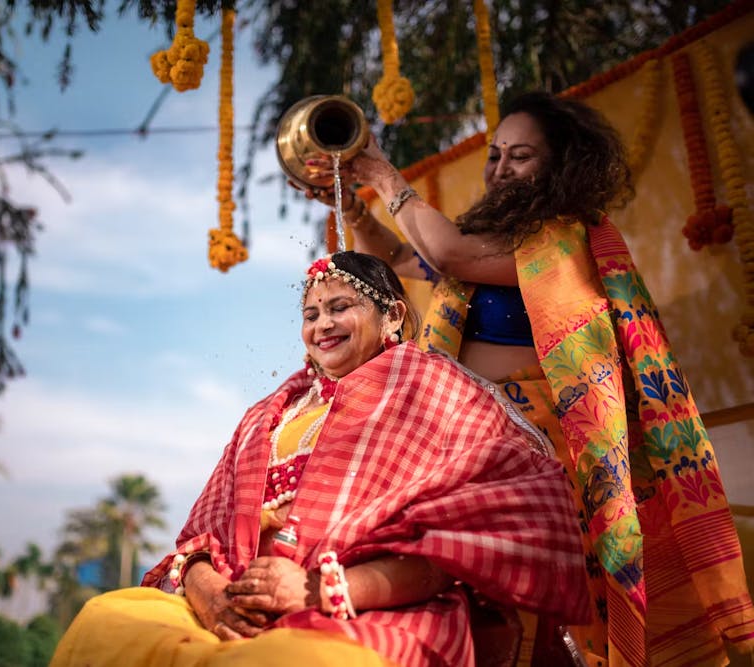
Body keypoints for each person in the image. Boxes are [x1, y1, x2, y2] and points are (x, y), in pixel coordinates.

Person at [304, 92, 754, 666]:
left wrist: (383, 173)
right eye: (494, 155)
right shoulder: (484, 245)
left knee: (554, 621)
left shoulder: (564, 239)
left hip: (547, 460)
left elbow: (446, 253)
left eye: (520, 155)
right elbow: (402, 259)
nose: (499, 169)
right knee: (481, 608)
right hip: (470, 454)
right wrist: (353, 205)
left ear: (560, 167)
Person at [49, 251, 592, 667]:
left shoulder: (433, 388)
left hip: (372, 609)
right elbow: (199, 542)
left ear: (393, 315)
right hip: (235, 605)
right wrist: (212, 597)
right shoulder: (269, 412)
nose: (321, 325)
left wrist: (317, 590)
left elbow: (459, 548)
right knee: (105, 623)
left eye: (339, 307)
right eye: (310, 314)